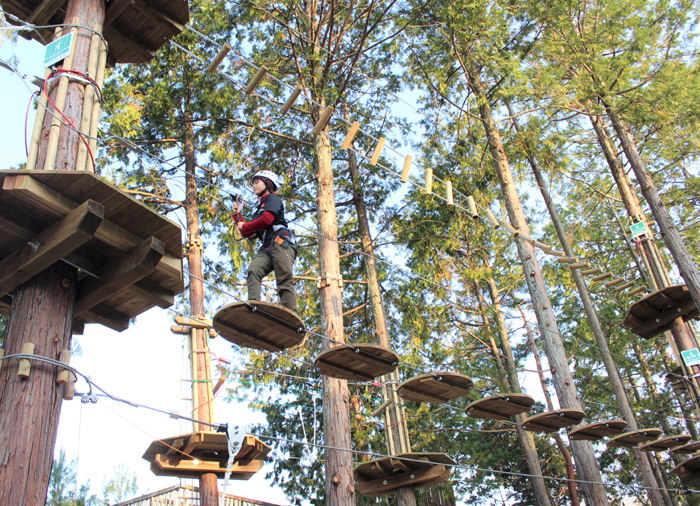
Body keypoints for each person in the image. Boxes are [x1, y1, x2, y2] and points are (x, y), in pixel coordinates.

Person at [232, 170, 298, 313]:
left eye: (257, 182)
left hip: (281, 242)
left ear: (268, 183)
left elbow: (267, 220)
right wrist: (238, 215)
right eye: (253, 183)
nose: (253, 185)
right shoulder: (259, 209)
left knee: (283, 278)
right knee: (253, 270)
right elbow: (246, 232)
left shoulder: (272, 199)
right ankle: (254, 306)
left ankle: (291, 315)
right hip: (267, 245)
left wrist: (245, 225)